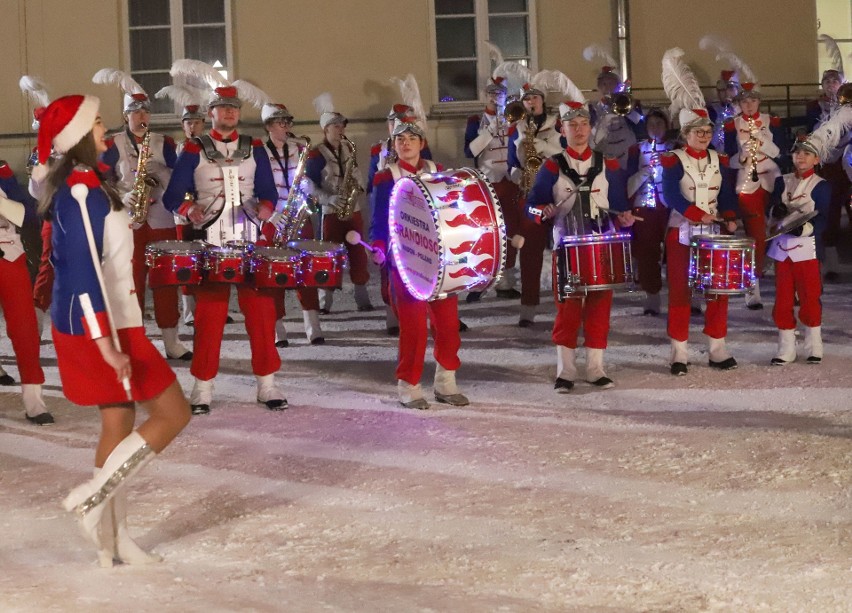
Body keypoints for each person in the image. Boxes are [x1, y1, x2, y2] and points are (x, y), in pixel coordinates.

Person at [36, 94, 190, 566]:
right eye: (98, 123)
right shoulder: (79, 191)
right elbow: (80, 272)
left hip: (115, 320)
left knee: (118, 423)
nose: (106, 130)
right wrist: (107, 346)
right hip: (98, 327)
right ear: (79, 137)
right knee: (174, 413)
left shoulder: (92, 182)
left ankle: (113, 541)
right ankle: (92, 499)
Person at [163, 62, 285, 415]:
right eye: (221, 108)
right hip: (211, 242)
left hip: (251, 239)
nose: (228, 113)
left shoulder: (256, 146)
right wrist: (189, 211)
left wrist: (265, 207)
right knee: (210, 317)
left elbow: (268, 191)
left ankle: (267, 385)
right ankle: (202, 387)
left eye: (233, 108)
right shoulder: (193, 149)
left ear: (238, 114)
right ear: (211, 113)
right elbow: (174, 196)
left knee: (261, 313)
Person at [526, 100, 632, 391]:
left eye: (584, 124)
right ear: (563, 129)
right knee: (569, 309)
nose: (579, 130)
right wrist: (542, 212)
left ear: (591, 127)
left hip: (601, 243)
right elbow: (531, 206)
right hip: (568, 246)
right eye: (572, 125)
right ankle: (566, 371)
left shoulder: (608, 164)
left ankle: (596, 369)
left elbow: (620, 204)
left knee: (600, 306)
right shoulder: (552, 166)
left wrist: (624, 217)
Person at [94, 69, 192, 360]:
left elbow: (182, 176)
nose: (141, 117)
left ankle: (172, 341)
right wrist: (119, 197)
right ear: (126, 117)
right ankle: (133, 342)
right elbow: (97, 179)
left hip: (161, 218)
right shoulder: (113, 144)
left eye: (145, 112)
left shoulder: (165, 143)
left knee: (165, 281)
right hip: (128, 220)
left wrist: (166, 179)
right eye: (135, 113)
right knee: (130, 283)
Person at [370, 117, 468, 409]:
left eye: (411, 139)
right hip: (406, 261)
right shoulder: (385, 177)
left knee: (448, 325)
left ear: (422, 143)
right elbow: (378, 219)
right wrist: (377, 246)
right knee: (413, 327)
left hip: (440, 260)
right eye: (400, 140)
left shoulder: (439, 172)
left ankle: (446, 381)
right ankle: (409, 385)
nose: (406, 143)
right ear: (394, 144)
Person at [662, 107, 739, 375]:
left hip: (712, 233)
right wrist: (696, 214)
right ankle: (679, 353)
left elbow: (727, 194)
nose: (705, 136)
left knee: (717, 290)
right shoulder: (673, 160)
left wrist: (729, 216)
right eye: (698, 131)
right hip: (682, 232)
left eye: (708, 131)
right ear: (686, 134)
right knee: (681, 291)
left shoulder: (721, 159)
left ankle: (717, 348)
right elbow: (670, 195)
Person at [261, 102, 325, 345]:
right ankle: (278, 329)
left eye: (288, 122)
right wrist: (270, 215)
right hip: (273, 217)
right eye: (281, 122)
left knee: (307, 270)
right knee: (273, 274)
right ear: (268, 126)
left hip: (298, 215)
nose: (286, 127)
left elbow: (302, 176)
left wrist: (308, 186)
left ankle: (313, 327)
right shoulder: (259, 151)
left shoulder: (298, 147)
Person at [305, 94, 373, 314]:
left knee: (359, 254)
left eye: (341, 125)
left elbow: (356, 172)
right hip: (331, 211)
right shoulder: (315, 154)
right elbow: (308, 184)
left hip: (352, 210)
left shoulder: (349, 149)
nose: (340, 129)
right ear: (325, 129)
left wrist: (358, 187)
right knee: (328, 256)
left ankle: (362, 298)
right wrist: (329, 198)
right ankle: (325, 302)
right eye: (335, 126)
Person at [766, 135, 830, 365]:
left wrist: (804, 229)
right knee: (782, 298)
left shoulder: (821, 185)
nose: (801, 157)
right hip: (782, 249)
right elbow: (770, 210)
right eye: (797, 152)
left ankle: (814, 345)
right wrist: (777, 211)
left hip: (806, 249)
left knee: (810, 296)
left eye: (806, 153)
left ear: (816, 159)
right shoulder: (782, 181)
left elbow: (823, 217)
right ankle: (786, 347)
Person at [507, 82, 564, 327]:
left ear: (543, 100)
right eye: (527, 99)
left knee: (565, 252)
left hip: (559, 191)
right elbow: (511, 164)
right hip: (531, 194)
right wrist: (519, 175)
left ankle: (569, 304)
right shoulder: (516, 128)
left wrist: (543, 147)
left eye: (535, 98)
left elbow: (566, 152)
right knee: (530, 253)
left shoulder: (559, 124)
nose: (531, 102)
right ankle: (528, 309)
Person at [722, 81, 783, 308]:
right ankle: (753, 287)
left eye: (753, 100)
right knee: (755, 236)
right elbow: (728, 159)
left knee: (780, 231)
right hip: (747, 184)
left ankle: (789, 285)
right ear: (739, 103)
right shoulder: (732, 125)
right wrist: (742, 157)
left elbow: (781, 153)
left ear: (759, 101)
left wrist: (763, 143)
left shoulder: (772, 121)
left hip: (773, 181)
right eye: (744, 101)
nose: (749, 105)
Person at [0, 160, 52, 424]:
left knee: (25, 328)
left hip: (8, 255)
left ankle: (34, 401)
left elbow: (30, 214)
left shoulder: (3, 172)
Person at [463, 76, 521, 300]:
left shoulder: (513, 117)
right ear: (486, 96)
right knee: (484, 232)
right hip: (488, 182)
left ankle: (505, 283)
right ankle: (477, 283)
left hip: (509, 180)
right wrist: (490, 131)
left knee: (511, 230)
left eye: (500, 94)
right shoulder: (475, 120)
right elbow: (470, 151)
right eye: (492, 94)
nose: (496, 98)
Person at [625, 108, 675, 315]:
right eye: (651, 124)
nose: (655, 128)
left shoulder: (675, 149)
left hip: (669, 206)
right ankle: (652, 296)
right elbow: (628, 182)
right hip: (645, 205)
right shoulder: (637, 150)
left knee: (674, 251)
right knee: (647, 252)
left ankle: (682, 297)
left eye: (660, 124)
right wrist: (647, 170)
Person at [806, 68, 851, 282]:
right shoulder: (816, 107)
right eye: (828, 81)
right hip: (829, 166)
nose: (831, 84)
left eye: (836, 81)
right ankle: (830, 263)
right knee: (830, 212)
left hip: (848, 163)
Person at [706, 70, 740, 152]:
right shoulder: (711, 111)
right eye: (723, 91)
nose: (726, 94)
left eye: (730, 89)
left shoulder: (743, 109)